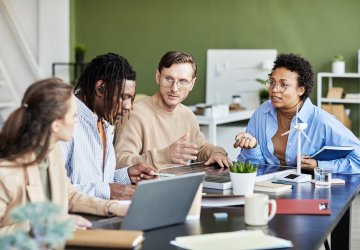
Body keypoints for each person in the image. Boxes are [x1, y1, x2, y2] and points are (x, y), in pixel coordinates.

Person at [0, 78, 128, 234]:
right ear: (56, 124)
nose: (77, 121)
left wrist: (112, 207)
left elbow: (69, 195)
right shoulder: (6, 175)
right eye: (74, 115)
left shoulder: (52, 154)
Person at [234, 53, 360, 174]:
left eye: (283, 85)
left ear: (300, 90)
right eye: (272, 82)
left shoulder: (322, 121)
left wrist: (319, 165)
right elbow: (249, 166)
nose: (274, 89)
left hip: (309, 191)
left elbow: (358, 160)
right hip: (267, 188)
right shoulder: (262, 112)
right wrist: (253, 147)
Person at [59, 53, 156, 200]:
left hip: (101, 213)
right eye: (124, 97)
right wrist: (108, 190)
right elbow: (54, 189)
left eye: (131, 98)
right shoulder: (63, 121)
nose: (129, 106)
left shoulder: (103, 121)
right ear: (101, 88)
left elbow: (97, 181)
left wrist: (126, 176)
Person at [114, 51, 232, 169]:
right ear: (158, 77)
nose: (174, 89)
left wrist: (216, 153)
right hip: (145, 186)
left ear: (192, 84)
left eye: (182, 81)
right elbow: (120, 162)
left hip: (180, 184)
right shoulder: (134, 113)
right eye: (168, 79)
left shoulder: (188, 115)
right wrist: (165, 155)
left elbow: (200, 149)